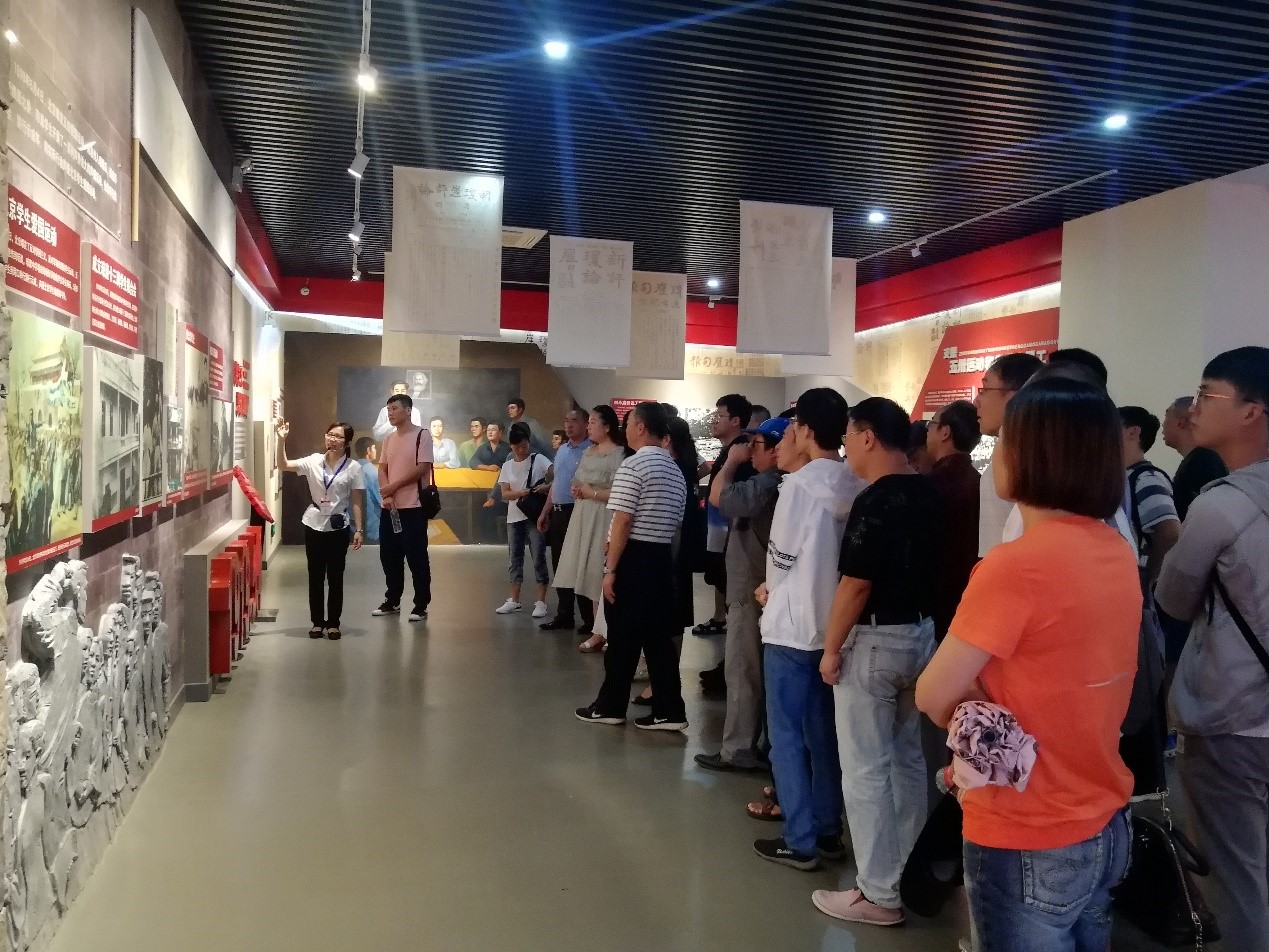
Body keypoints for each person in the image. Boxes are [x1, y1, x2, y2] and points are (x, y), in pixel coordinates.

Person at [915, 377, 1139, 952]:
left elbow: (932, 694)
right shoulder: (1114, 548)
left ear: (1032, 454)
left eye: (1004, 442)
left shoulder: (1016, 566)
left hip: (1026, 826)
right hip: (1103, 816)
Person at [1155, 346, 1269, 952]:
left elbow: (1173, 600)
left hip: (1232, 713)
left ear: (1253, 411)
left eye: (1207, 394)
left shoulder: (1221, 505)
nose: (1193, 407)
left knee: (1236, 877)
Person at [812, 398, 940, 926]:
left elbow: (856, 584)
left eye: (848, 435)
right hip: (921, 635)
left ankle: (878, 893)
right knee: (908, 760)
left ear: (867, 436)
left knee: (865, 768)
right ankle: (908, 874)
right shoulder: (930, 491)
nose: (845, 446)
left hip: (874, 641)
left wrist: (830, 649)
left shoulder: (876, 499)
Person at [752, 388, 864, 871]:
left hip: (791, 625)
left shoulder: (798, 487)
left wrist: (769, 588)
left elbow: (781, 554)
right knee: (823, 736)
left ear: (806, 430)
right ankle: (827, 830)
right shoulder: (855, 482)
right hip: (834, 626)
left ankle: (798, 839)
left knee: (785, 736)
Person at [575, 401, 689, 731]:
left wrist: (611, 569)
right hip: (661, 559)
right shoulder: (675, 471)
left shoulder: (634, 466)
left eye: (628, 424)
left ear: (641, 427)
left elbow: (623, 520)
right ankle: (670, 710)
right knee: (658, 641)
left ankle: (610, 706)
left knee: (622, 638)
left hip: (634, 559)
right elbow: (676, 522)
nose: (625, 431)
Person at [694, 415, 788, 774]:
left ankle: (738, 749)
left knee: (743, 668)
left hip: (752, 589)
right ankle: (755, 745)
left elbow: (718, 496)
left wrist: (731, 462)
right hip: (758, 587)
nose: (750, 451)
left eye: (758, 445)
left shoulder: (767, 484)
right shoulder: (776, 483)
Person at [276, 420, 365, 639]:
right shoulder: (313, 461)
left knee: (335, 577)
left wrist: (359, 529)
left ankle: (333, 623)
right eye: (330, 435)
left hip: (338, 526)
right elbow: (283, 464)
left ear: (346, 442)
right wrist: (281, 440)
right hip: (314, 523)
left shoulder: (353, 468)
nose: (332, 439)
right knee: (315, 576)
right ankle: (317, 622)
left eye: (338, 436)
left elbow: (356, 500)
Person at [554, 406, 627, 651]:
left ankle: (610, 631)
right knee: (589, 573)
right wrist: (578, 490)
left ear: (607, 426)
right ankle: (598, 631)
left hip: (604, 515)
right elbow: (578, 480)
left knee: (601, 571)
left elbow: (620, 491)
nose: (589, 427)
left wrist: (593, 493)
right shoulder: (588, 452)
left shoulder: (618, 454)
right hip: (584, 514)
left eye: (593, 422)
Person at [973, 353, 1043, 556]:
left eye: (985, 390)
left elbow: (994, 551)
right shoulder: (1048, 457)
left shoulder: (1004, 466)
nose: (976, 401)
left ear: (1016, 396)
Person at [696, 393, 754, 636]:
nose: (714, 421)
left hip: (732, 533)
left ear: (735, 420)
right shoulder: (729, 452)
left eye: (720, 416)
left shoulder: (741, 454)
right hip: (719, 531)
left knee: (731, 584)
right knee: (720, 578)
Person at [373, 393, 433, 622]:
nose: (390, 413)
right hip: (390, 508)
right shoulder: (389, 439)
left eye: (394, 408)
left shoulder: (422, 435)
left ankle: (420, 605)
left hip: (414, 506)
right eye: (388, 409)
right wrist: (387, 493)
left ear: (408, 410)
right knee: (389, 556)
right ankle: (392, 600)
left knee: (417, 557)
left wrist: (393, 487)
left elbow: (422, 468)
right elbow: (382, 468)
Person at [926, 400, 981, 638]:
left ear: (945, 432)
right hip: (972, 596)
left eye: (931, 424)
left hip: (936, 604)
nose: (927, 431)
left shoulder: (932, 485)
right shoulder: (979, 481)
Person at [537, 409, 592, 631]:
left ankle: (589, 619)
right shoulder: (562, 450)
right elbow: (556, 484)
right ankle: (565, 614)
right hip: (559, 512)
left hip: (578, 511)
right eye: (566, 421)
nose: (569, 425)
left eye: (574, 421)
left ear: (586, 424)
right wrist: (545, 511)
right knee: (559, 563)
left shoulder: (590, 450)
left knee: (579, 564)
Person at [494, 422, 553, 618]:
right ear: (511, 446)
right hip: (514, 516)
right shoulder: (507, 466)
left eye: (525, 445)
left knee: (538, 556)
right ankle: (514, 599)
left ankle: (541, 601)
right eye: (518, 446)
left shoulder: (539, 459)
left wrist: (546, 487)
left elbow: (556, 476)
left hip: (534, 515)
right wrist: (522, 492)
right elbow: (504, 493)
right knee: (514, 558)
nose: (522, 450)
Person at [1119, 405, 1181, 582]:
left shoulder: (1147, 478)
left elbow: (1170, 531)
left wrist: (1149, 581)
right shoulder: (1127, 477)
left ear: (1133, 432)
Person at [1162, 396, 1228, 521]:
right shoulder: (1201, 460)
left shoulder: (1204, 463)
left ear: (1181, 422)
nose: (1163, 424)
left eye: (1166, 417)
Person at [353, 436, 382, 543]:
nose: (375, 451)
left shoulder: (351, 470)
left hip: (352, 526)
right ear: (368, 450)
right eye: (374, 448)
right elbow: (382, 501)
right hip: (372, 527)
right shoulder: (374, 472)